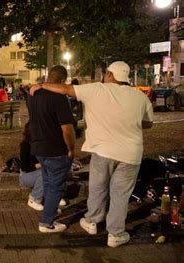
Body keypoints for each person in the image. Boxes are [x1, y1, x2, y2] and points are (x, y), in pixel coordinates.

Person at [30, 61, 153, 247]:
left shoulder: (97, 90)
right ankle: (116, 234)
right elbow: (148, 123)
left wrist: (41, 85)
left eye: (107, 73)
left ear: (110, 75)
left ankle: (92, 221)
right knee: (120, 195)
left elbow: (65, 89)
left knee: (98, 187)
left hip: (102, 149)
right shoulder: (140, 97)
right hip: (130, 152)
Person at [28, 65, 75, 233]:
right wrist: (71, 148)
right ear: (63, 80)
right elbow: (67, 129)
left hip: (38, 146)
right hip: (56, 148)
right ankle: (46, 222)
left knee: (48, 182)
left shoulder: (33, 94)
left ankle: (51, 209)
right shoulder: (60, 98)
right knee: (56, 186)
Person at [19, 122, 67, 211]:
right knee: (44, 172)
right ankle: (34, 199)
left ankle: (54, 196)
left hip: (41, 171)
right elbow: (24, 167)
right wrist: (42, 164)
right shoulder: (25, 145)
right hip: (27, 175)